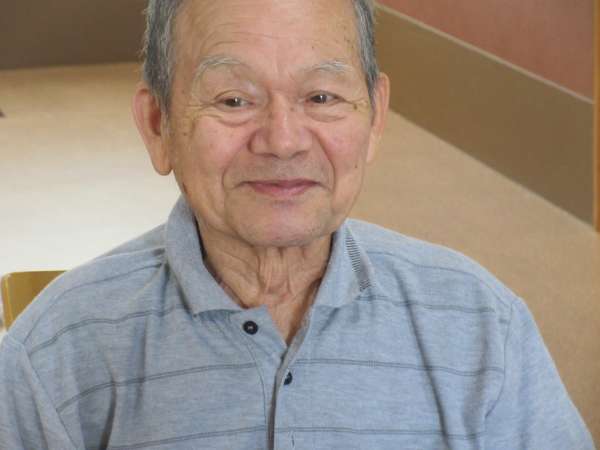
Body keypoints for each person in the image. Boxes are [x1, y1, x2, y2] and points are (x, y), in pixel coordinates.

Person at [0, 0, 595, 448]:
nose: (283, 141)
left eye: (322, 97)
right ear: (158, 126)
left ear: (375, 117)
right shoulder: (54, 355)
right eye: (234, 100)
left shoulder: (484, 328)